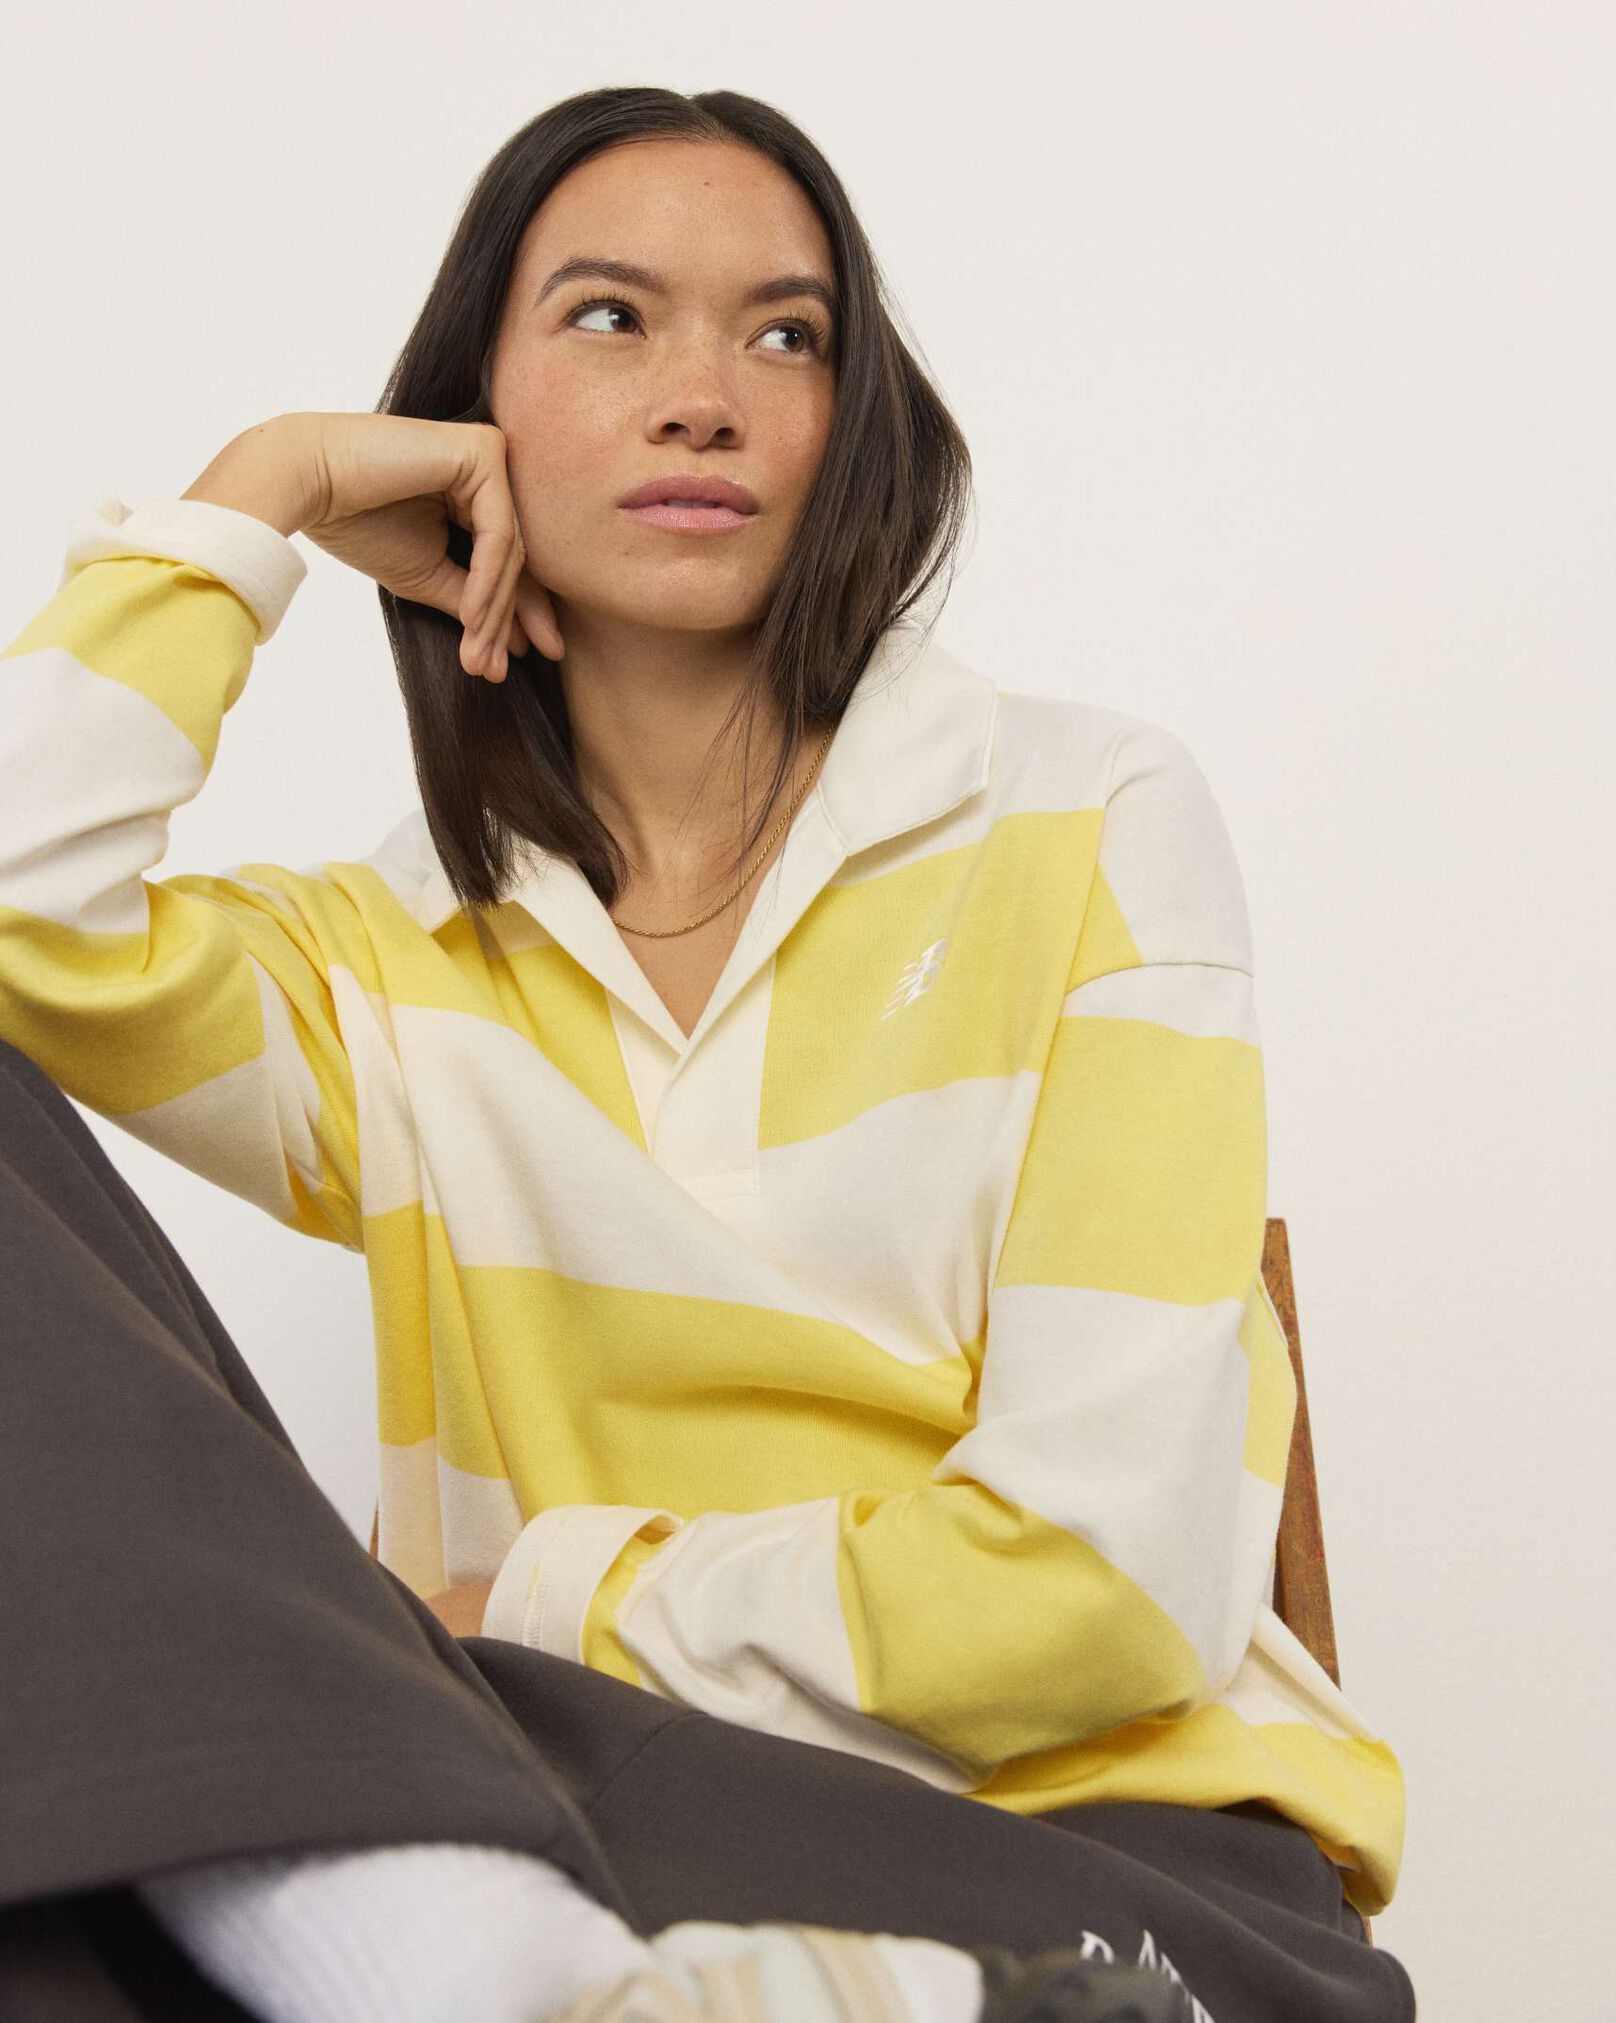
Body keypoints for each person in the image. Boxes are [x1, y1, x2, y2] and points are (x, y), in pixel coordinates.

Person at [0, 85, 1415, 2023]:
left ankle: (552, 1977)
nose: (704, 395)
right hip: (608, 1846)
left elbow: (1102, 1584)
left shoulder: (1083, 819)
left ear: (854, 420)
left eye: (786, 332)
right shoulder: (390, 969)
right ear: (467, 409)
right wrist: (270, 488)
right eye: (608, 317)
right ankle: (527, 1974)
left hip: (1099, 1869)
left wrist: (536, 1606)